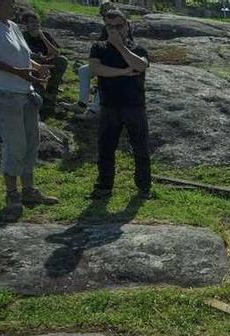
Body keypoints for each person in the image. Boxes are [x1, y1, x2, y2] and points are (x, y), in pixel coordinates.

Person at [0, 0, 58, 219]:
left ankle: (29, 191)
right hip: (1, 92)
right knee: (15, 144)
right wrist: (16, 72)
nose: (14, 4)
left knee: (31, 142)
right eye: (9, 2)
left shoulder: (11, 25)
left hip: (24, 91)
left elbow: (23, 57)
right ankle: (12, 195)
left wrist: (37, 67)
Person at [87, 9, 152, 200]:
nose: (115, 30)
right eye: (110, 26)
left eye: (119, 26)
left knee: (140, 148)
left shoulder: (138, 48)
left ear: (127, 25)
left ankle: (144, 187)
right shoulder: (98, 47)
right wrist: (123, 72)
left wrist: (121, 47)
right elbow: (95, 68)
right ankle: (104, 187)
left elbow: (140, 65)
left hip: (134, 105)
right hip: (109, 105)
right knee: (106, 148)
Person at [66, 1, 114, 117]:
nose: (106, 14)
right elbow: (103, 45)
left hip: (115, 64)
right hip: (104, 62)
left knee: (102, 75)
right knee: (83, 70)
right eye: (104, 12)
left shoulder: (119, 25)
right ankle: (82, 104)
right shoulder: (105, 27)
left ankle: (95, 110)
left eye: (109, 11)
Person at [20, 11, 66, 113]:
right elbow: (21, 54)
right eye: (32, 22)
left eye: (38, 22)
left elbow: (56, 52)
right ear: (26, 24)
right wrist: (35, 56)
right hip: (31, 63)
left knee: (62, 61)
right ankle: (37, 92)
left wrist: (43, 38)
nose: (36, 24)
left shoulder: (45, 35)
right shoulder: (22, 36)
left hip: (47, 61)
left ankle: (51, 93)